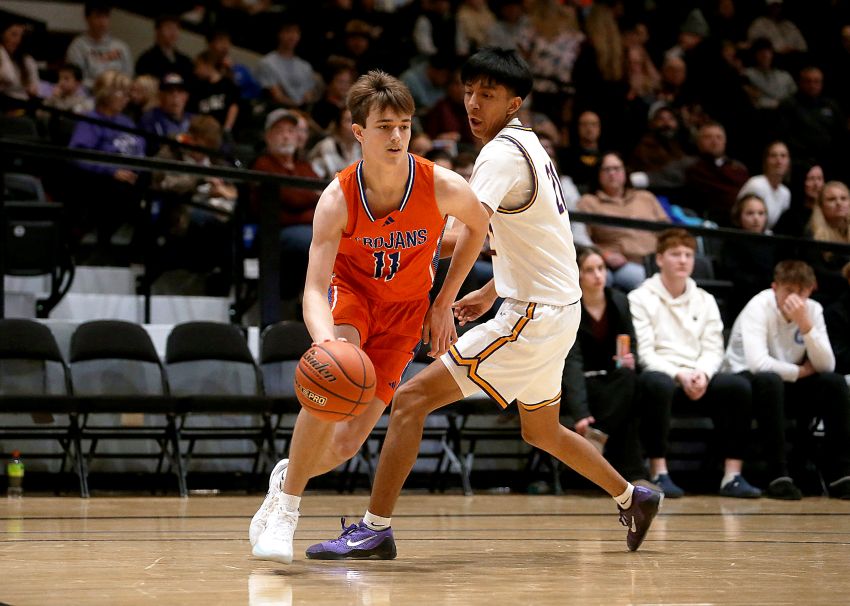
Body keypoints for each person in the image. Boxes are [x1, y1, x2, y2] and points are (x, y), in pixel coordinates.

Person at [306, 48, 663, 560]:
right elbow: (534, 235)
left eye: (488, 96)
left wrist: (427, 281)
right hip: (554, 309)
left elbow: (462, 230)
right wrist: (494, 287)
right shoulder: (531, 145)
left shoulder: (498, 154)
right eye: (469, 91)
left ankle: (375, 527)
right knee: (540, 429)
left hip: (534, 314)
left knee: (409, 401)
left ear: (514, 102)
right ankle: (633, 496)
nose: (474, 104)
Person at [249, 70, 490, 563]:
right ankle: (286, 512)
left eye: (403, 125)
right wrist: (325, 342)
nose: (396, 135)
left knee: (343, 444)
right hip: (353, 296)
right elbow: (314, 287)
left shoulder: (441, 185)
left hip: (405, 316)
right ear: (357, 132)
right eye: (384, 126)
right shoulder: (337, 197)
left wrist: (444, 301)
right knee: (329, 386)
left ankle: (284, 478)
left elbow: (479, 226)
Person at [629, 228, 761, 499]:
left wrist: (702, 373)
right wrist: (680, 375)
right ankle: (659, 472)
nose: (683, 260)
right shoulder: (640, 298)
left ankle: (732, 475)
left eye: (688, 254)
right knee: (656, 383)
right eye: (675, 254)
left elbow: (714, 348)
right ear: (660, 259)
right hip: (665, 375)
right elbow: (645, 353)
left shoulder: (705, 299)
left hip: (699, 375)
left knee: (738, 386)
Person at [724, 260, 850, 500]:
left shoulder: (813, 310)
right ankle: (778, 474)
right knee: (769, 381)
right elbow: (758, 364)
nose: (795, 299)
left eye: (802, 292)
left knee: (834, 383)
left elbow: (826, 365)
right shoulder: (759, 306)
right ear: (775, 287)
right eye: (789, 291)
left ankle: (839, 474)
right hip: (745, 379)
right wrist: (800, 372)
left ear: (811, 289)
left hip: (786, 379)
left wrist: (805, 325)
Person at [563, 247, 645, 480]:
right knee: (628, 405)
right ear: (577, 275)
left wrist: (631, 359)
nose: (598, 275)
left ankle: (595, 438)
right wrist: (581, 413)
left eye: (601, 268)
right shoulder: (571, 307)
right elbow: (572, 362)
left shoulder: (619, 301)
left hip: (613, 380)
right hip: (582, 384)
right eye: (590, 270)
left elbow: (632, 343)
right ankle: (634, 474)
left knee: (631, 379)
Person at [577, 152, 670, 292]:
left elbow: (668, 230)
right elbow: (581, 240)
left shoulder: (645, 197)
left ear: (625, 172)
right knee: (644, 281)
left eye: (617, 168)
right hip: (622, 264)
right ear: (598, 174)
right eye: (606, 169)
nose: (612, 173)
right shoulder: (588, 202)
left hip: (657, 261)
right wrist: (604, 255)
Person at [65, 2, 133, 88]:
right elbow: (77, 78)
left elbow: (128, 76)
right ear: (87, 18)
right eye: (98, 17)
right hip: (89, 95)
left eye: (105, 17)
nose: (102, 22)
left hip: (117, 94)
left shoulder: (121, 47)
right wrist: (101, 86)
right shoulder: (78, 46)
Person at [737, 141, 791, 230]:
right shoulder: (756, 184)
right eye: (773, 156)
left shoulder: (786, 193)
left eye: (783, 156)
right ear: (766, 161)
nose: (779, 161)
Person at [134, 15, 194, 82]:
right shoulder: (146, 59)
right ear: (157, 31)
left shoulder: (185, 61)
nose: (173, 32)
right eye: (169, 27)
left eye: (176, 28)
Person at [0, 19, 39, 103]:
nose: (18, 40)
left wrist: (33, 89)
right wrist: (2, 52)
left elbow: (35, 87)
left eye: (21, 36)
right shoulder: (2, 55)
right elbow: (8, 76)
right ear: (2, 35)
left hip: (21, 105)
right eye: (14, 35)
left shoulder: (27, 60)